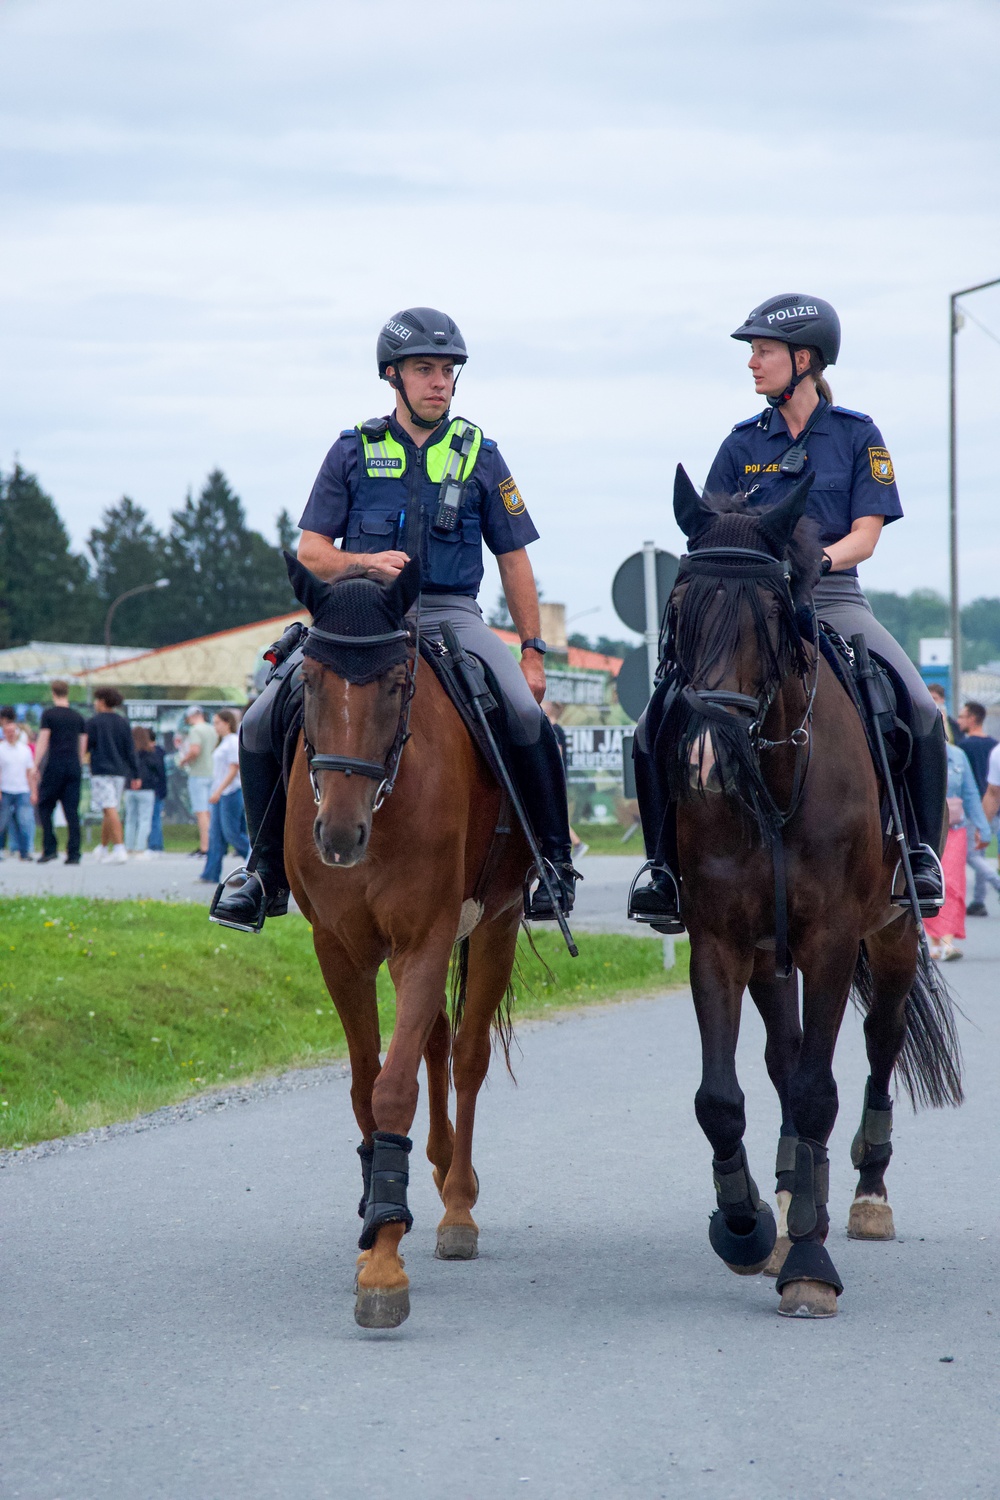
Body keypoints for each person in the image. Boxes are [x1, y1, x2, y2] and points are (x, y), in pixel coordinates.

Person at [212, 306, 576, 932]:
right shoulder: (351, 449)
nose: (440, 381)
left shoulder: (481, 455)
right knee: (261, 719)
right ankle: (264, 872)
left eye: (448, 371)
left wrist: (533, 651)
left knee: (523, 715)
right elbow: (312, 552)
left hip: (451, 614)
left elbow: (514, 559)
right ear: (393, 376)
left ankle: (552, 865)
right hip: (364, 616)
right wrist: (365, 562)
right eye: (424, 370)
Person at [630, 293, 947, 930]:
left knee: (917, 708)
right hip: (754, 604)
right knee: (656, 717)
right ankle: (663, 867)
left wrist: (815, 565)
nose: (753, 363)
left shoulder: (858, 435)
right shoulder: (742, 442)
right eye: (752, 352)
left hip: (833, 596)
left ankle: (918, 853)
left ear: (804, 359)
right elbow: (712, 531)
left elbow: (866, 533)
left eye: (764, 351)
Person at [924, 741, 992, 962]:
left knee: (952, 884)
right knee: (930, 883)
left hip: (955, 830)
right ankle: (934, 942)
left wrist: (983, 827)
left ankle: (947, 941)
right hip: (928, 831)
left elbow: (971, 794)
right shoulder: (920, 751)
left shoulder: (958, 756)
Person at [85, 688, 141, 864]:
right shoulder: (123, 722)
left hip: (101, 770)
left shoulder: (94, 722)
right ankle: (102, 847)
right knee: (109, 809)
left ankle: (119, 848)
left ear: (102, 701)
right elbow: (130, 749)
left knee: (110, 808)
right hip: (119, 771)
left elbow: (88, 746)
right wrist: (136, 773)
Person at [955, 700, 1000, 916]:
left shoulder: (963, 748)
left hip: (977, 807)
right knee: (980, 854)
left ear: (973, 719)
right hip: (995, 805)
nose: (959, 720)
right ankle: (979, 900)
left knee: (973, 855)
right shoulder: (994, 745)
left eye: (963, 716)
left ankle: (996, 884)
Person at [34, 680, 86, 864]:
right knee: (72, 811)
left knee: (45, 806)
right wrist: (78, 765)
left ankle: (50, 848)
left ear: (53, 693)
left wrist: (35, 764)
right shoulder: (78, 717)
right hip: (73, 766)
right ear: (67, 693)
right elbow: (82, 744)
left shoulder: (49, 715)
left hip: (55, 764)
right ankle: (74, 853)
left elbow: (43, 740)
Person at [199, 710, 249, 885]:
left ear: (227, 723)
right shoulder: (223, 743)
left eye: (217, 722)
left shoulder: (233, 742)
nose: (215, 727)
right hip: (220, 794)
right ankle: (210, 873)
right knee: (216, 835)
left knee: (232, 833)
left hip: (230, 793)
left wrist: (219, 791)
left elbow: (234, 769)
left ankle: (254, 861)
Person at [0, 706, 38, 859]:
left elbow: (30, 772)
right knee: (3, 822)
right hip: (6, 788)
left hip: (22, 789)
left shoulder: (25, 750)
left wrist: (33, 791)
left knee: (24, 821)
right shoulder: (1, 749)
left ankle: (25, 850)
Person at [177, 707, 215, 856]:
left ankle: (205, 846)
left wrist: (183, 761)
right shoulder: (212, 729)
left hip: (198, 773)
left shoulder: (195, 731)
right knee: (210, 812)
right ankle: (214, 844)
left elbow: (194, 751)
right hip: (212, 772)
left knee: (201, 812)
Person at [123, 726, 165, 857]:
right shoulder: (151, 753)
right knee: (144, 819)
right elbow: (159, 772)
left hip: (130, 789)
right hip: (147, 789)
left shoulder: (128, 753)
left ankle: (128, 847)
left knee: (130, 819)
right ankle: (140, 848)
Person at [146, 729, 167, 852]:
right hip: (157, 789)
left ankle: (155, 845)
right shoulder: (158, 751)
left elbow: (160, 773)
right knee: (154, 818)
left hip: (155, 789)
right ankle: (155, 844)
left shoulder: (155, 752)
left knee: (154, 818)